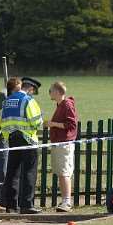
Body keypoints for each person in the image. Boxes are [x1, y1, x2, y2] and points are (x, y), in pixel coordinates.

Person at [1, 77, 43, 214]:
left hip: (12, 139)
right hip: (28, 140)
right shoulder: (28, 100)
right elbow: (37, 122)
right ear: (30, 88)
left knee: (12, 172)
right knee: (29, 172)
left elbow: (3, 122)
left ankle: (11, 205)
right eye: (33, 91)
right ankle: (26, 205)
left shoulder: (7, 101)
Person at [0, 78, 22, 211]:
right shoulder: (4, 103)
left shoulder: (5, 102)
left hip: (4, 138)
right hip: (2, 138)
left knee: (3, 171)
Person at [44, 81, 78, 212]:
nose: (49, 93)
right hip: (58, 143)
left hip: (64, 143)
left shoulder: (67, 105)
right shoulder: (60, 105)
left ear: (58, 92)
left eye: (51, 90)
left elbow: (71, 125)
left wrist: (52, 124)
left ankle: (67, 202)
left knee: (65, 172)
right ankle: (64, 200)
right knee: (61, 173)